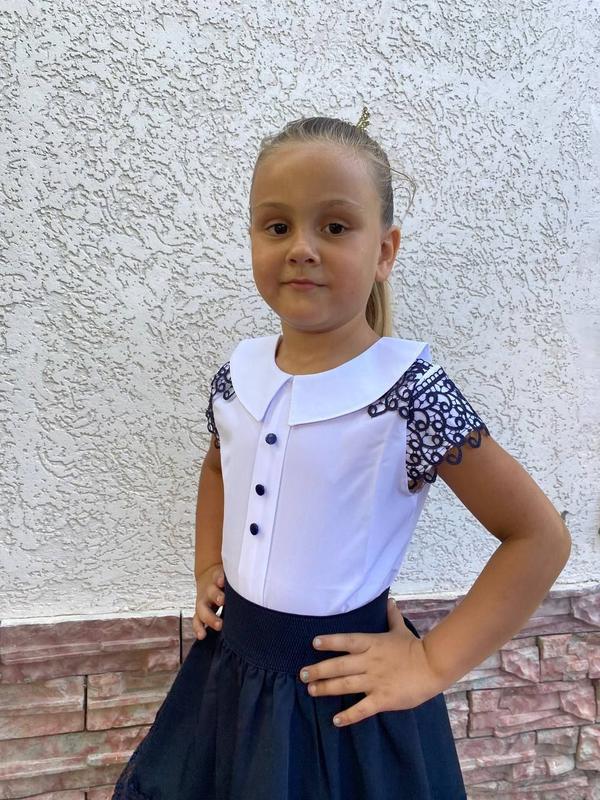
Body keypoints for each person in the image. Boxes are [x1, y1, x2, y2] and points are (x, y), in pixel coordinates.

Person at [112, 108, 571, 800]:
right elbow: (219, 467)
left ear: (384, 251)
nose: (301, 247)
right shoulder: (238, 374)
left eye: (334, 226)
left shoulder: (409, 392)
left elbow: (538, 537)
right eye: (277, 226)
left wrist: (430, 664)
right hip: (228, 679)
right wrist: (209, 565)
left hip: (338, 705)